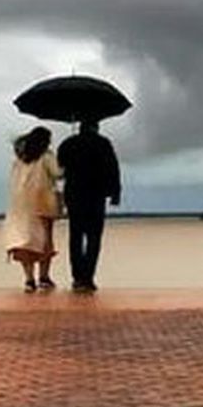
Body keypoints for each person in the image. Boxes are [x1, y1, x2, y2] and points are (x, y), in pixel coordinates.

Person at [57, 118, 121, 292]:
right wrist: (115, 194)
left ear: (80, 127)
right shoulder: (103, 143)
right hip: (96, 196)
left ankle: (77, 277)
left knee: (75, 237)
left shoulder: (68, 143)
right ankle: (88, 277)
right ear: (96, 127)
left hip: (74, 195)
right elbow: (113, 168)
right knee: (94, 238)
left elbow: (60, 167)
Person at [2, 126, 61, 293]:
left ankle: (29, 279)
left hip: (20, 205)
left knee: (25, 242)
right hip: (43, 203)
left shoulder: (19, 159)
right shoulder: (46, 156)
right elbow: (58, 173)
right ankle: (44, 277)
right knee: (45, 241)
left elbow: (12, 181)